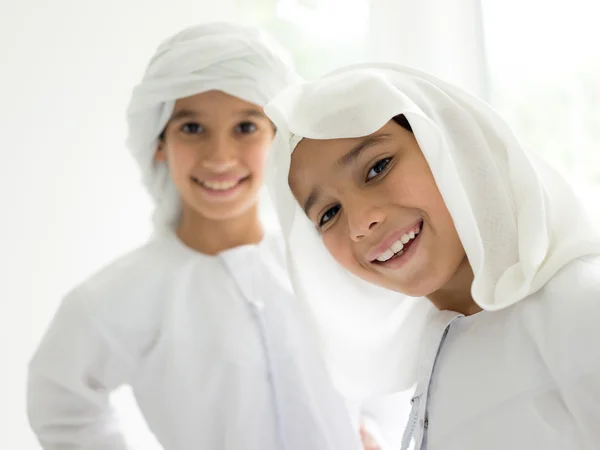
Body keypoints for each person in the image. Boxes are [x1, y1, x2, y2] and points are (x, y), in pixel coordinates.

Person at [27, 23, 366, 450]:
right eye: (192, 128)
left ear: (277, 137)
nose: (219, 158)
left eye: (245, 127)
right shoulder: (115, 297)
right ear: (158, 143)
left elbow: (385, 361)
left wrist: (374, 431)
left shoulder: (328, 259)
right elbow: (60, 403)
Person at [262, 62, 600, 450]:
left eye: (377, 167)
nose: (360, 222)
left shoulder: (583, 310)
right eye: (329, 214)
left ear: (450, 144)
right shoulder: (440, 345)